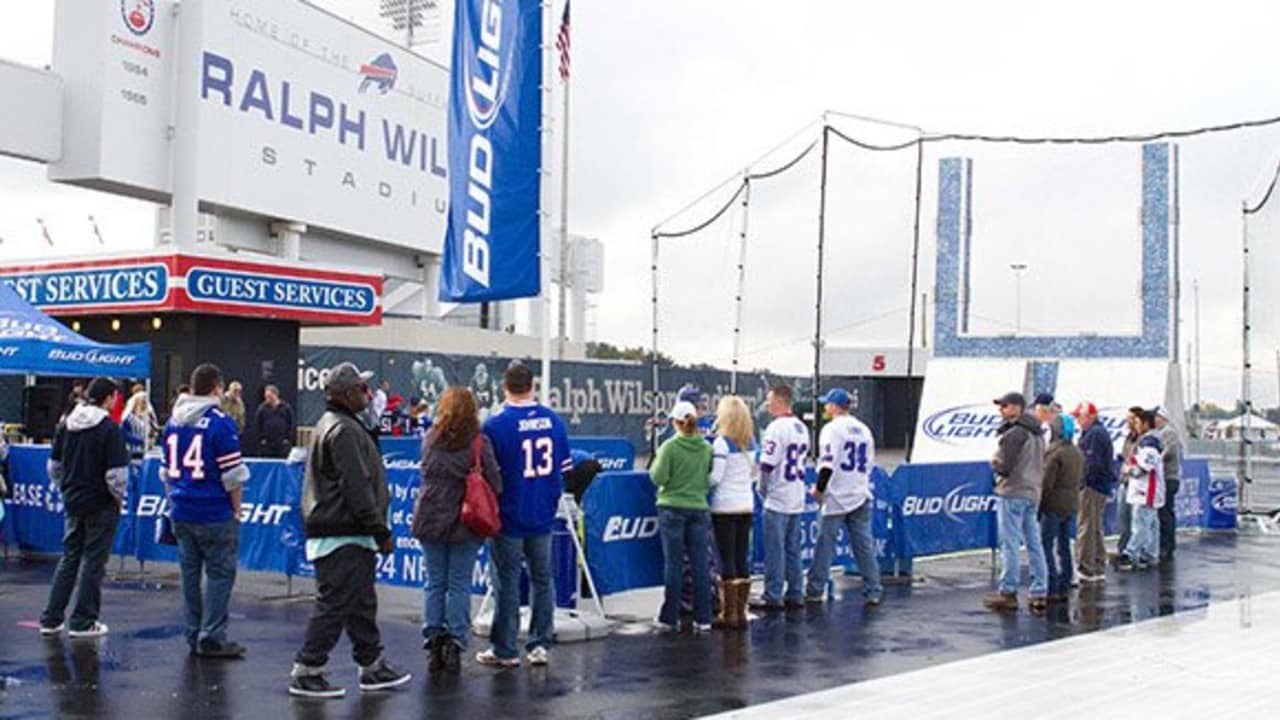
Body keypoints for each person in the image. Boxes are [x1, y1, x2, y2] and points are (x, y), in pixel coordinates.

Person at [291, 362, 410, 698]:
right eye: (362, 389)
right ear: (345, 394)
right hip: (343, 531)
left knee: (359, 603)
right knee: (335, 603)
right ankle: (307, 668)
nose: (368, 394)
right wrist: (380, 531)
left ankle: (371, 664)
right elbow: (356, 487)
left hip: (345, 531)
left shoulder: (339, 425)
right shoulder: (342, 430)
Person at [477, 363, 572, 668]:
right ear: (533, 386)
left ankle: (505, 649)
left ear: (504, 387)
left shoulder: (495, 425)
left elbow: (487, 475)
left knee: (506, 581)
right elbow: (564, 469)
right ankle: (540, 643)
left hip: (508, 515)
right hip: (542, 513)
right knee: (543, 580)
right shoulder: (553, 421)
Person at [412, 387, 503, 674]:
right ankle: (455, 642)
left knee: (434, 582)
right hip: (465, 519)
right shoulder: (478, 442)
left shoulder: (430, 439)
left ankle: (433, 640)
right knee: (459, 584)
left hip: (430, 517)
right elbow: (495, 483)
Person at [164, 364, 249, 659]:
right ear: (216, 388)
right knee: (219, 573)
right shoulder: (220, 423)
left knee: (189, 574)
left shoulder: (173, 423)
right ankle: (212, 634)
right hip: (213, 509)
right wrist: (236, 509)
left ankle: (192, 631)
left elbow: (166, 473)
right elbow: (233, 475)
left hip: (182, 507)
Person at [38, 377, 129, 638]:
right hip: (101, 502)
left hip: (73, 499)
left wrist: (66, 488)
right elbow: (116, 475)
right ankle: (83, 621)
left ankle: (51, 618)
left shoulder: (66, 425)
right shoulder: (110, 430)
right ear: (109, 398)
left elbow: (53, 466)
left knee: (69, 558)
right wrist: (118, 499)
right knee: (93, 562)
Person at [805, 388, 883, 607]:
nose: (825, 408)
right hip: (859, 491)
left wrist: (819, 490)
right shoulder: (864, 429)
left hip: (837, 495)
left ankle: (814, 589)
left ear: (834, 406)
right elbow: (869, 464)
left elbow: (827, 464)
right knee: (864, 546)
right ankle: (873, 589)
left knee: (825, 545)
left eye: (827, 404)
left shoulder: (832, 429)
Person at [648, 400, 714, 633]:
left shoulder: (669, 447)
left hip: (672, 507)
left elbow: (657, 477)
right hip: (698, 507)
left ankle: (669, 617)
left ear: (675, 422)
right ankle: (704, 617)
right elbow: (709, 475)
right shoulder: (706, 447)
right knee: (700, 565)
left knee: (674, 564)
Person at [983, 391, 1048, 613]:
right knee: (1034, 543)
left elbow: (1004, 465)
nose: (1001, 409)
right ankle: (1040, 590)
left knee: (1009, 543)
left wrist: (993, 462)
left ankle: (1008, 591)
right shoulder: (1038, 433)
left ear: (1018, 408)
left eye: (1005, 406)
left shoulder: (1015, 434)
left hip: (1013, 491)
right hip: (1033, 491)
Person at [750, 384, 810, 612]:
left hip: (778, 495)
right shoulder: (801, 427)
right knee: (793, 548)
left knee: (775, 548)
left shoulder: (776, 428)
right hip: (796, 494)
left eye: (770, 400)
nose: (767, 404)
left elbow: (767, 463)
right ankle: (796, 592)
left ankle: (773, 594)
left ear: (780, 401)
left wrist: (761, 489)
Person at [708, 396, 755, 629]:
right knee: (740, 556)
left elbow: (715, 478)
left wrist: (701, 484)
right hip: (746, 504)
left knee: (726, 558)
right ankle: (741, 611)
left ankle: (729, 613)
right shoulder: (751, 442)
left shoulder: (721, 443)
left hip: (724, 506)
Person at [1039, 415, 1083, 603]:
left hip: (1054, 504)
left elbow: (1046, 482)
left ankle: (1051, 582)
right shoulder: (1077, 452)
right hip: (1071, 503)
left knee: (1046, 544)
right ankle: (1066, 580)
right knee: (1064, 544)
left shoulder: (1054, 453)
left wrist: (1041, 504)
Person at [1073, 402, 1115, 583]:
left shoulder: (1095, 434)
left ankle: (1086, 567)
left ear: (1089, 416)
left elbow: (1091, 463)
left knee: (1087, 526)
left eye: (1079, 417)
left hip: (1093, 486)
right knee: (1095, 526)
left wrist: (1083, 483)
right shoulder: (1096, 432)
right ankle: (1097, 563)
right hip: (1099, 485)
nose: (1077, 421)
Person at [1119, 409, 1165, 571]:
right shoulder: (1150, 441)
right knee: (1151, 524)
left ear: (1146, 424)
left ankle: (1130, 554)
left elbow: (1142, 469)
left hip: (1145, 492)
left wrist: (1127, 469)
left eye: (1138, 423)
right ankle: (1150, 554)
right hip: (1147, 491)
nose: (1136, 426)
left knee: (1141, 524)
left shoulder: (1149, 444)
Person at [1114, 406, 1144, 558]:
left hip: (1136, 483)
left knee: (1136, 520)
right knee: (1123, 517)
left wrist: (1130, 468)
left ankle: (1134, 552)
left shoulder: (1143, 440)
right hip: (1125, 481)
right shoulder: (1128, 437)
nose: (1128, 421)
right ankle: (1123, 549)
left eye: (1131, 419)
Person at [1154, 406, 1183, 561]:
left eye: (1157, 417)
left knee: (1165, 513)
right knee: (1164, 513)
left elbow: (1169, 451)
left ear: (1163, 418)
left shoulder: (1168, 432)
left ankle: (1168, 545)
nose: (1154, 420)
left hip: (1168, 478)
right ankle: (1165, 544)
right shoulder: (1162, 433)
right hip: (1166, 478)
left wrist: (1155, 458)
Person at [254, 385, 294, 458]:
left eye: (269, 396)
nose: (267, 399)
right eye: (266, 396)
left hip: (282, 444)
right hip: (267, 445)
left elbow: (290, 424)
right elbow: (258, 425)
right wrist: (261, 439)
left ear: (275, 395)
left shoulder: (286, 408)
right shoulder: (262, 409)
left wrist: (287, 439)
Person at [121, 388, 157, 465]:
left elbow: (154, 431)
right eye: (142, 402)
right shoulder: (128, 418)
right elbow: (124, 434)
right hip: (132, 453)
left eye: (145, 402)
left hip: (147, 453)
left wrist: (152, 438)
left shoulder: (148, 417)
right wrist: (141, 441)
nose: (144, 404)